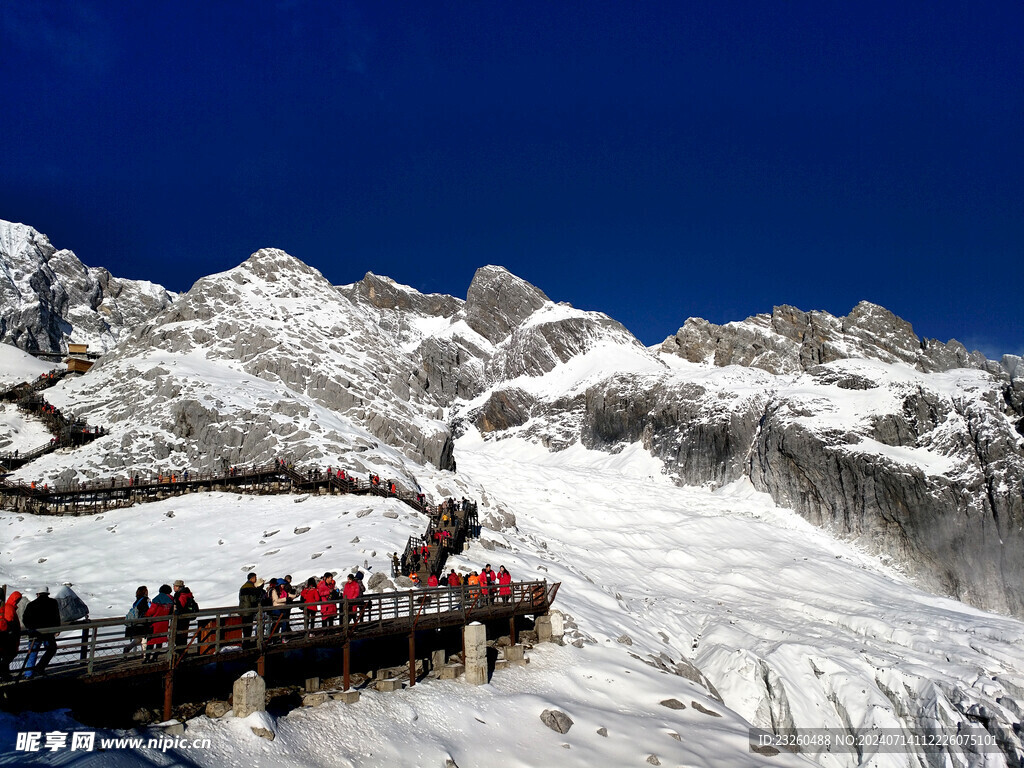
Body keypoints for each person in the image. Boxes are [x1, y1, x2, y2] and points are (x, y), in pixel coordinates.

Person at [22, 587, 61, 678]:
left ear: (38, 594)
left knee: (33, 652)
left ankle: (29, 673)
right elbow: (56, 617)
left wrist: (31, 628)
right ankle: (40, 667)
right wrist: (56, 629)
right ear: (47, 594)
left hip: (35, 633)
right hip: (48, 633)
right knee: (51, 649)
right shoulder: (53, 603)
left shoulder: (32, 604)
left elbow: (25, 619)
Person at [144, 585, 175, 662]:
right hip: (164, 623)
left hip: (155, 623)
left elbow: (151, 611)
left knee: (151, 640)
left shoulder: (157, 599)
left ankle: (147, 658)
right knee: (160, 640)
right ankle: (155, 657)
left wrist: (146, 615)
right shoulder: (171, 600)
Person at [0, 590, 23, 680]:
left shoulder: (8, 607)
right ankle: (4, 674)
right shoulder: (9, 608)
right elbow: (9, 621)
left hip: (7, 637)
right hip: (8, 638)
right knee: (8, 655)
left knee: (6, 655)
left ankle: (5, 675)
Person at [122, 586, 150, 655]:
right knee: (144, 638)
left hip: (136, 621)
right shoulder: (146, 600)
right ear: (145, 592)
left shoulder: (137, 601)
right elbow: (150, 608)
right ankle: (145, 655)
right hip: (144, 621)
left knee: (139, 638)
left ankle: (128, 648)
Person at [238, 573, 264, 646]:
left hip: (243, 609)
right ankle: (247, 643)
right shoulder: (250, 587)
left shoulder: (243, 587)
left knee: (245, 628)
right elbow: (253, 599)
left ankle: (246, 642)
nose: (256, 579)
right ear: (252, 578)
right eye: (255, 578)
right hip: (249, 610)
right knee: (248, 628)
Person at [173, 581, 199, 651]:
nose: (174, 587)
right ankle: (182, 651)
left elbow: (181, 606)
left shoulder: (182, 595)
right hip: (185, 618)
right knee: (182, 635)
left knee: (179, 636)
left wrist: (176, 611)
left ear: (179, 587)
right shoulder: (186, 593)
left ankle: (180, 652)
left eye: (175, 586)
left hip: (182, 618)